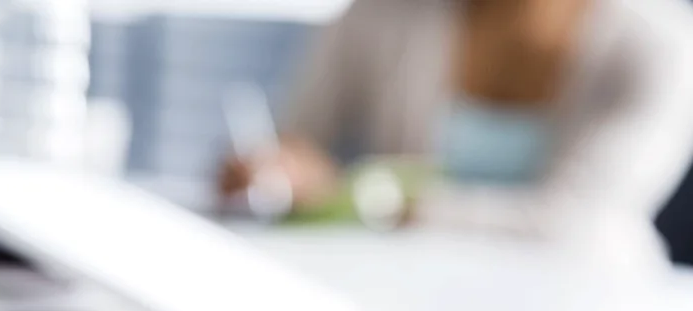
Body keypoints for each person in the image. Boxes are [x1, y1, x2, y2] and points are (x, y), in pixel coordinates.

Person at [219, 0, 693, 269]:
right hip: (401, 294)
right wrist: (277, 170)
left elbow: (574, 220)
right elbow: (299, 141)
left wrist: (372, 201)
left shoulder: (661, 47)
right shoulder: (380, 15)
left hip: (591, 301)